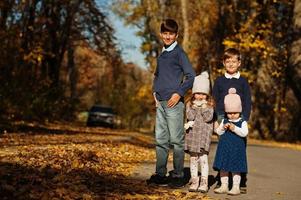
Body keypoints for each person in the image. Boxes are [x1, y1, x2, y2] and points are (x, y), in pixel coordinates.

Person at [146, 18, 196, 188]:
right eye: (165, 33)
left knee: (176, 140)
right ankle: (160, 174)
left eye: (171, 34)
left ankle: (178, 174)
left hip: (174, 104)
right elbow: (157, 75)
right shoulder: (162, 54)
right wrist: (154, 92)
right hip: (160, 102)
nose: (168, 36)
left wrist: (179, 93)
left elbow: (191, 76)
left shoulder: (179, 53)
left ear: (176, 35)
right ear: (161, 34)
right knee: (161, 140)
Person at [212, 48, 251, 193]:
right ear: (223, 63)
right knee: (224, 148)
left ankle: (240, 180)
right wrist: (215, 119)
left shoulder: (243, 81)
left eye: (234, 61)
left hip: (239, 117)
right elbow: (214, 100)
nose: (231, 64)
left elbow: (247, 101)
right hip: (222, 115)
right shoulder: (219, 81)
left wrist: (244, 118)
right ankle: (222, 179)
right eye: (228, 61)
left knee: (238, 148)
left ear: (239, 63)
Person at [213, 88, 248, 195]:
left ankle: (236, 187)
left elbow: (244, 133)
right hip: (224, 148)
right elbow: (218, 132)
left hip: (237, 149)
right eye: (229, 113)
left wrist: (234, 129)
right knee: (223, 167)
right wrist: (222, 127)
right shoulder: (224, 120)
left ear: (239, 111)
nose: (232, 115)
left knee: (235, 167)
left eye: (235, 112)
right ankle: (224, 185)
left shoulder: (242, 122)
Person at [184, 71, 214, 193]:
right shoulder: (190, 104)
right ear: (193, 93)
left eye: (203, 94)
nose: (200, 96)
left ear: (207, 95)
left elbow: (208, 118)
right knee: (193, 159)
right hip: (193, 137)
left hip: (203, 137)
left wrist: (204, 108)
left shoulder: (210, 105)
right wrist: (195, 108)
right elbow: (190, 117)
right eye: (198, 93)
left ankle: (204, 182)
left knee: (203, 159)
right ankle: (195, 180)